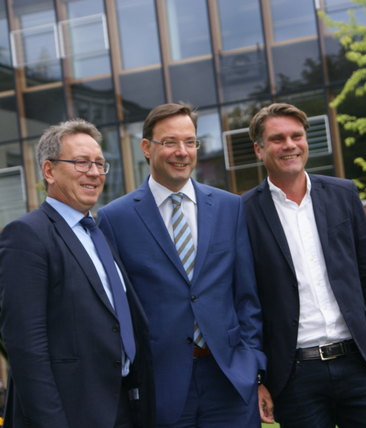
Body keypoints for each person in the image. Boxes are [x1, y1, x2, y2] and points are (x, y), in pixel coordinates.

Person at [97, 103, 265, 427]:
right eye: (170, 142)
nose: (182, 152)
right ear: (146, 147)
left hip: (229, 378)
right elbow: (118, 309)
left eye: (190, 142)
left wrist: (252, 361)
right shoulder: (114, 219)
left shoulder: (231, 207)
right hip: (161, 385)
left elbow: (247, 295)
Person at [242, 103, 366, 428]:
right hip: (294, 375)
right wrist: (256, 378)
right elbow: (244, 301)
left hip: (360, 363)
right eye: (277, 139)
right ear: (259, 150)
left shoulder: (344, 195)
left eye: (296, 136)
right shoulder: (242, 212)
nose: (289, 144)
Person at [0, 119, 154, 428]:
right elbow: (27, 348)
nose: (94, 173)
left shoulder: (99, 234)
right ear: (49, 171)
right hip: (71, 414)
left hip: (123, 408)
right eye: (81, 163)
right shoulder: (26, 236)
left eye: (99, 164)